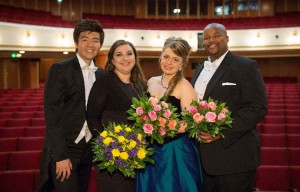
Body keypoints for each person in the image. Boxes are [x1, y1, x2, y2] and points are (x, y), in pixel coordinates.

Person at [191, 23, 268, 192]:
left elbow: (257, 107)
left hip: (235, 159)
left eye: (216, 35)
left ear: (226, 38)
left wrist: (221, 132)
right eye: (207, 37)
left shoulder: (246, 66)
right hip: (203, 161)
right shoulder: (198, 70)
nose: (211, 40)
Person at [38, 19, 105, 192]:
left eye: (95, 40)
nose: (90, 45)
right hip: (65, 150)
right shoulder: (60, 70)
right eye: (84, 39)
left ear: (100, 45)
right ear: (76, 43)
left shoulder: (102, 75)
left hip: (89, 149)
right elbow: (53, 116)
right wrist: (60, 156)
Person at [136, 37, 203, 192]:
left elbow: (189, 123)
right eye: (166, 57)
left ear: (182, 63)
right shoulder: (151, 81)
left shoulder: (185, 87)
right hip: (150, 150)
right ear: (160, 57)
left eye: (175, 59)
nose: (169, 62)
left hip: (175, 152)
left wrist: (161, 127)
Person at [87, 40, 147, 192]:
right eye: (119, 55)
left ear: (135, 57)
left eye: (129, 54)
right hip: (112, 157)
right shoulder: (104, 82)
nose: (125, 58)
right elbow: (92, 118)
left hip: (137, 154)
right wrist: (109, 146)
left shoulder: (141, 84)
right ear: (112, 60)